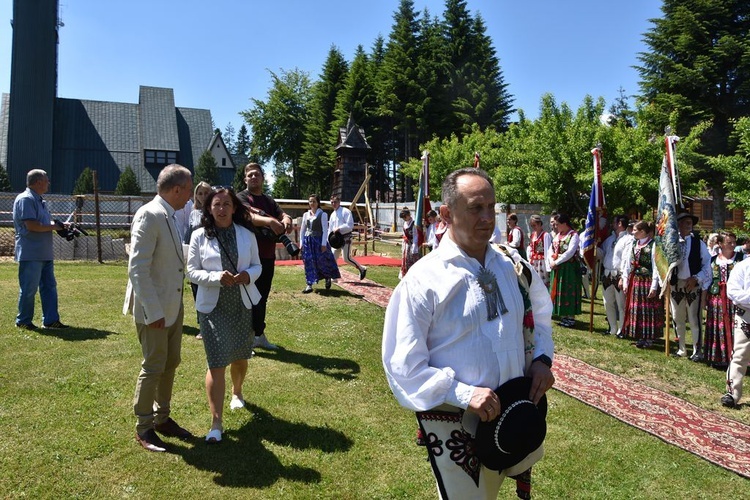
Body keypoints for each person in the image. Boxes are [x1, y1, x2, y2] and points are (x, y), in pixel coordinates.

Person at [383, 168, 555, 499]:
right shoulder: (423, 280)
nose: (487, 218)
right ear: (446, 214)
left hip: (515, 413)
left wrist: (542, 359)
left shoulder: (512, 264)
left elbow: (541, 313)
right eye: (476, 208)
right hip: (458, 424)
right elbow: (403, 364)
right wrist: (463, 394)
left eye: (491, 208)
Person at [123, 164, 194, 452]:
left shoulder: (170, 215)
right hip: (154, 310)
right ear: (176, 189)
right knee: (153, 366)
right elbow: (137, 268)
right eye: (188, 191)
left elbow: (173, 256)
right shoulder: (150, 215)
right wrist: (153, 312)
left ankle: (162, 418)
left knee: (170, 362)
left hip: (171, 306)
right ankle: (144, 426)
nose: (190, 197)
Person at [187, 187, 262, 443]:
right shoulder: (199, 236)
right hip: (212, 308)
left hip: (241, 304)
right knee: (216, 362)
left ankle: (237, 391)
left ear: (234, 207)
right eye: (216, 204)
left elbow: (258, 266)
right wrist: (216, 278)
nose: (221, 208)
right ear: (209, 208)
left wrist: (248, 275)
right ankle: (216, 423)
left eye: (226, 204)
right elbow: (191, 272)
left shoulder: (246, 235)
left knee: (240, 358)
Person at [236, 163, 294, 351]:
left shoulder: (269, 200)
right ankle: (245, 337)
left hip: (267, 257)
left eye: (257, 174)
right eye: (250, 175)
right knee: (247, 297)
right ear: (245, 179)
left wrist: (286, 219)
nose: (254, 177)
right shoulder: (241, 198)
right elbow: (249, 216)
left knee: (262, 297)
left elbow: (282, 213)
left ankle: (259, 335)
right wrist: (270, 221)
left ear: (262, 178)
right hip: (248, 257)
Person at [12, 169, 69, 330]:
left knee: (49, 287)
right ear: (38, 182)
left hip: (44, 252)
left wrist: (59, 226)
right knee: (29, 289)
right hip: (31, 253)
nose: (48, 183)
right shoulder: (26, 199)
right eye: (46, 180)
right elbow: (32, 225)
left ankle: (51, 320)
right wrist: (53, 227)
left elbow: (43, 223)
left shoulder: (39, 200)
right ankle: (23, 320)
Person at [671, 210, 712, 360]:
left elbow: (707, 264)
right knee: (677, 317)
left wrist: (696, 278)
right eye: (686, 222)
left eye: (690, 223)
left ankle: (697, 350)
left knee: (694, 319)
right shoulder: (671, 242)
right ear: (679, 224)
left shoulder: (697, 243)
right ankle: (681, 348)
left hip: (692, 284)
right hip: (676, 284)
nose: (689, 225)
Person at [619, 221, 665, 347]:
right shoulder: (633, 244)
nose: (633, 232)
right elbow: (628, 263)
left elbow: (656, 266)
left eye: (635, 230)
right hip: (636, 281)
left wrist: (654, 285)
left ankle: (649, 337)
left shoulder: (653, 245)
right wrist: (625, 280)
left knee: (648, 310)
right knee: (637, 309)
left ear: (642, 232)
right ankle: (639, 335)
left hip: (647, 281)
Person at [703, 231, 743, 368]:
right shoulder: (713, 260)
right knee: (716, 327)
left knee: (735, 327)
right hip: (716, 299)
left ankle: (736, 357)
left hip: (734, 299)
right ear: (720, 244)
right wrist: (703, 300)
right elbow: (707, 281)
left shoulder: (741, 259)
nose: (732, 245)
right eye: (729, 242)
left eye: (734, 242)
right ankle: (718, 357)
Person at [722, 256, 750, 408]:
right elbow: (732, 291)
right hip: (746, 315)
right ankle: (733, 393)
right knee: (740, 354)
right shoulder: (742, 266)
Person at [185, 181, 212, 340]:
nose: (202, 196)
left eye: (206, 193)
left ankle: (213, 323)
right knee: (197, 292)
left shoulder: (215, 211)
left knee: (209, 290)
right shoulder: (193, 213)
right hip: (195, 257)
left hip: (209, 256)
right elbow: (188, 234)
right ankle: (202, 326)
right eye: (200, 193)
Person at [300, 194, 341, 293]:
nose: (312, 203)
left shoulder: (322, 214)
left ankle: (327, 277)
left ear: (318, 203)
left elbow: (325, 230)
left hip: (318, 241)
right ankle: (309, 284)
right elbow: (302, 230)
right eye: (310, 201)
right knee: (309, 262)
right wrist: (301, 243)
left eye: (314, 201)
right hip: (308, 241)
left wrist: (323, 244)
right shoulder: (306, 215)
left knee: (322, 261)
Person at [547, 214, 581, 327]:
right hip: (558, 268)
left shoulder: (573, 235)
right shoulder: (558, 236)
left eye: (557, 224)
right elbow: (550, 249)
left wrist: (556, 262)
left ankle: (570, 317)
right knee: (558, 290)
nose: (556, 226)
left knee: (568, 289)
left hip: (568, 268)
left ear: (564, 224)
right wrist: (551, 260)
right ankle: (562, 315)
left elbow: (570, 252)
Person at [600, 215, 630, 336]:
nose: (612, 224)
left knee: (621, 304)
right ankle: (612, 328)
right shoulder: (610, 239)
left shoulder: (629, 239)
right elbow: (603, 253)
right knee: (608, 302)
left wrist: (623, 276)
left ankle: (622, 329)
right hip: (607, 273)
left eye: (614, 222)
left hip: (619, 274)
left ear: (620, 224)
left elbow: (626, 259)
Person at [328, 194, 367, 280]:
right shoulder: (332, 215)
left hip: (346, 237)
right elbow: (330, 229)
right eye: (332, 202)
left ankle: (361, 268)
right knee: (333, 258)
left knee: (346, 258)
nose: (333, 204)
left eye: (335, 202)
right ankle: (334, 277)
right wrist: (329, 240)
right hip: (335, 240)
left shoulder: (345, 211)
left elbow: (350, 225)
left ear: (339, 202)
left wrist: (340, 228)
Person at [526, 215, 551, 288]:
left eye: (535, 225)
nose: (533, 227)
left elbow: (547, 251)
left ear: (540, 224)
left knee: (543, 283)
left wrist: (547, 266)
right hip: (533, 262)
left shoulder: (545, 235)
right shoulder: (533, 235)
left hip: (542, 262)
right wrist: (529, 259)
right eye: (532, 226)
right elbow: (530, 247)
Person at [398, 207, 420, 279]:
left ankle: (413, 275)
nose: (404, 219)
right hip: (406, 244)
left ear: (408, 215)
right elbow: (404, 234)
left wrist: (414, 245)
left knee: (412, 260)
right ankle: (405, 274)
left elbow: (415, 235)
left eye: (405, 217)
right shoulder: (405, 223)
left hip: (412, 244)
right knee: (405, 259)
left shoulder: (413, 223)